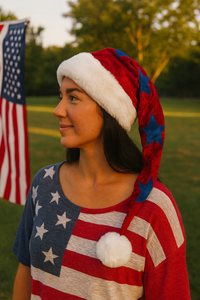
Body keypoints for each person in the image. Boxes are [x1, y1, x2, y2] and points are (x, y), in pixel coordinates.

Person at [12, 48, 191, 300]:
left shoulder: (154, 207)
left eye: (73, 98)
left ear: (109, 110)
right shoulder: (45, 182)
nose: (58, 110)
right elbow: (25, 270)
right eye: (60, 96)